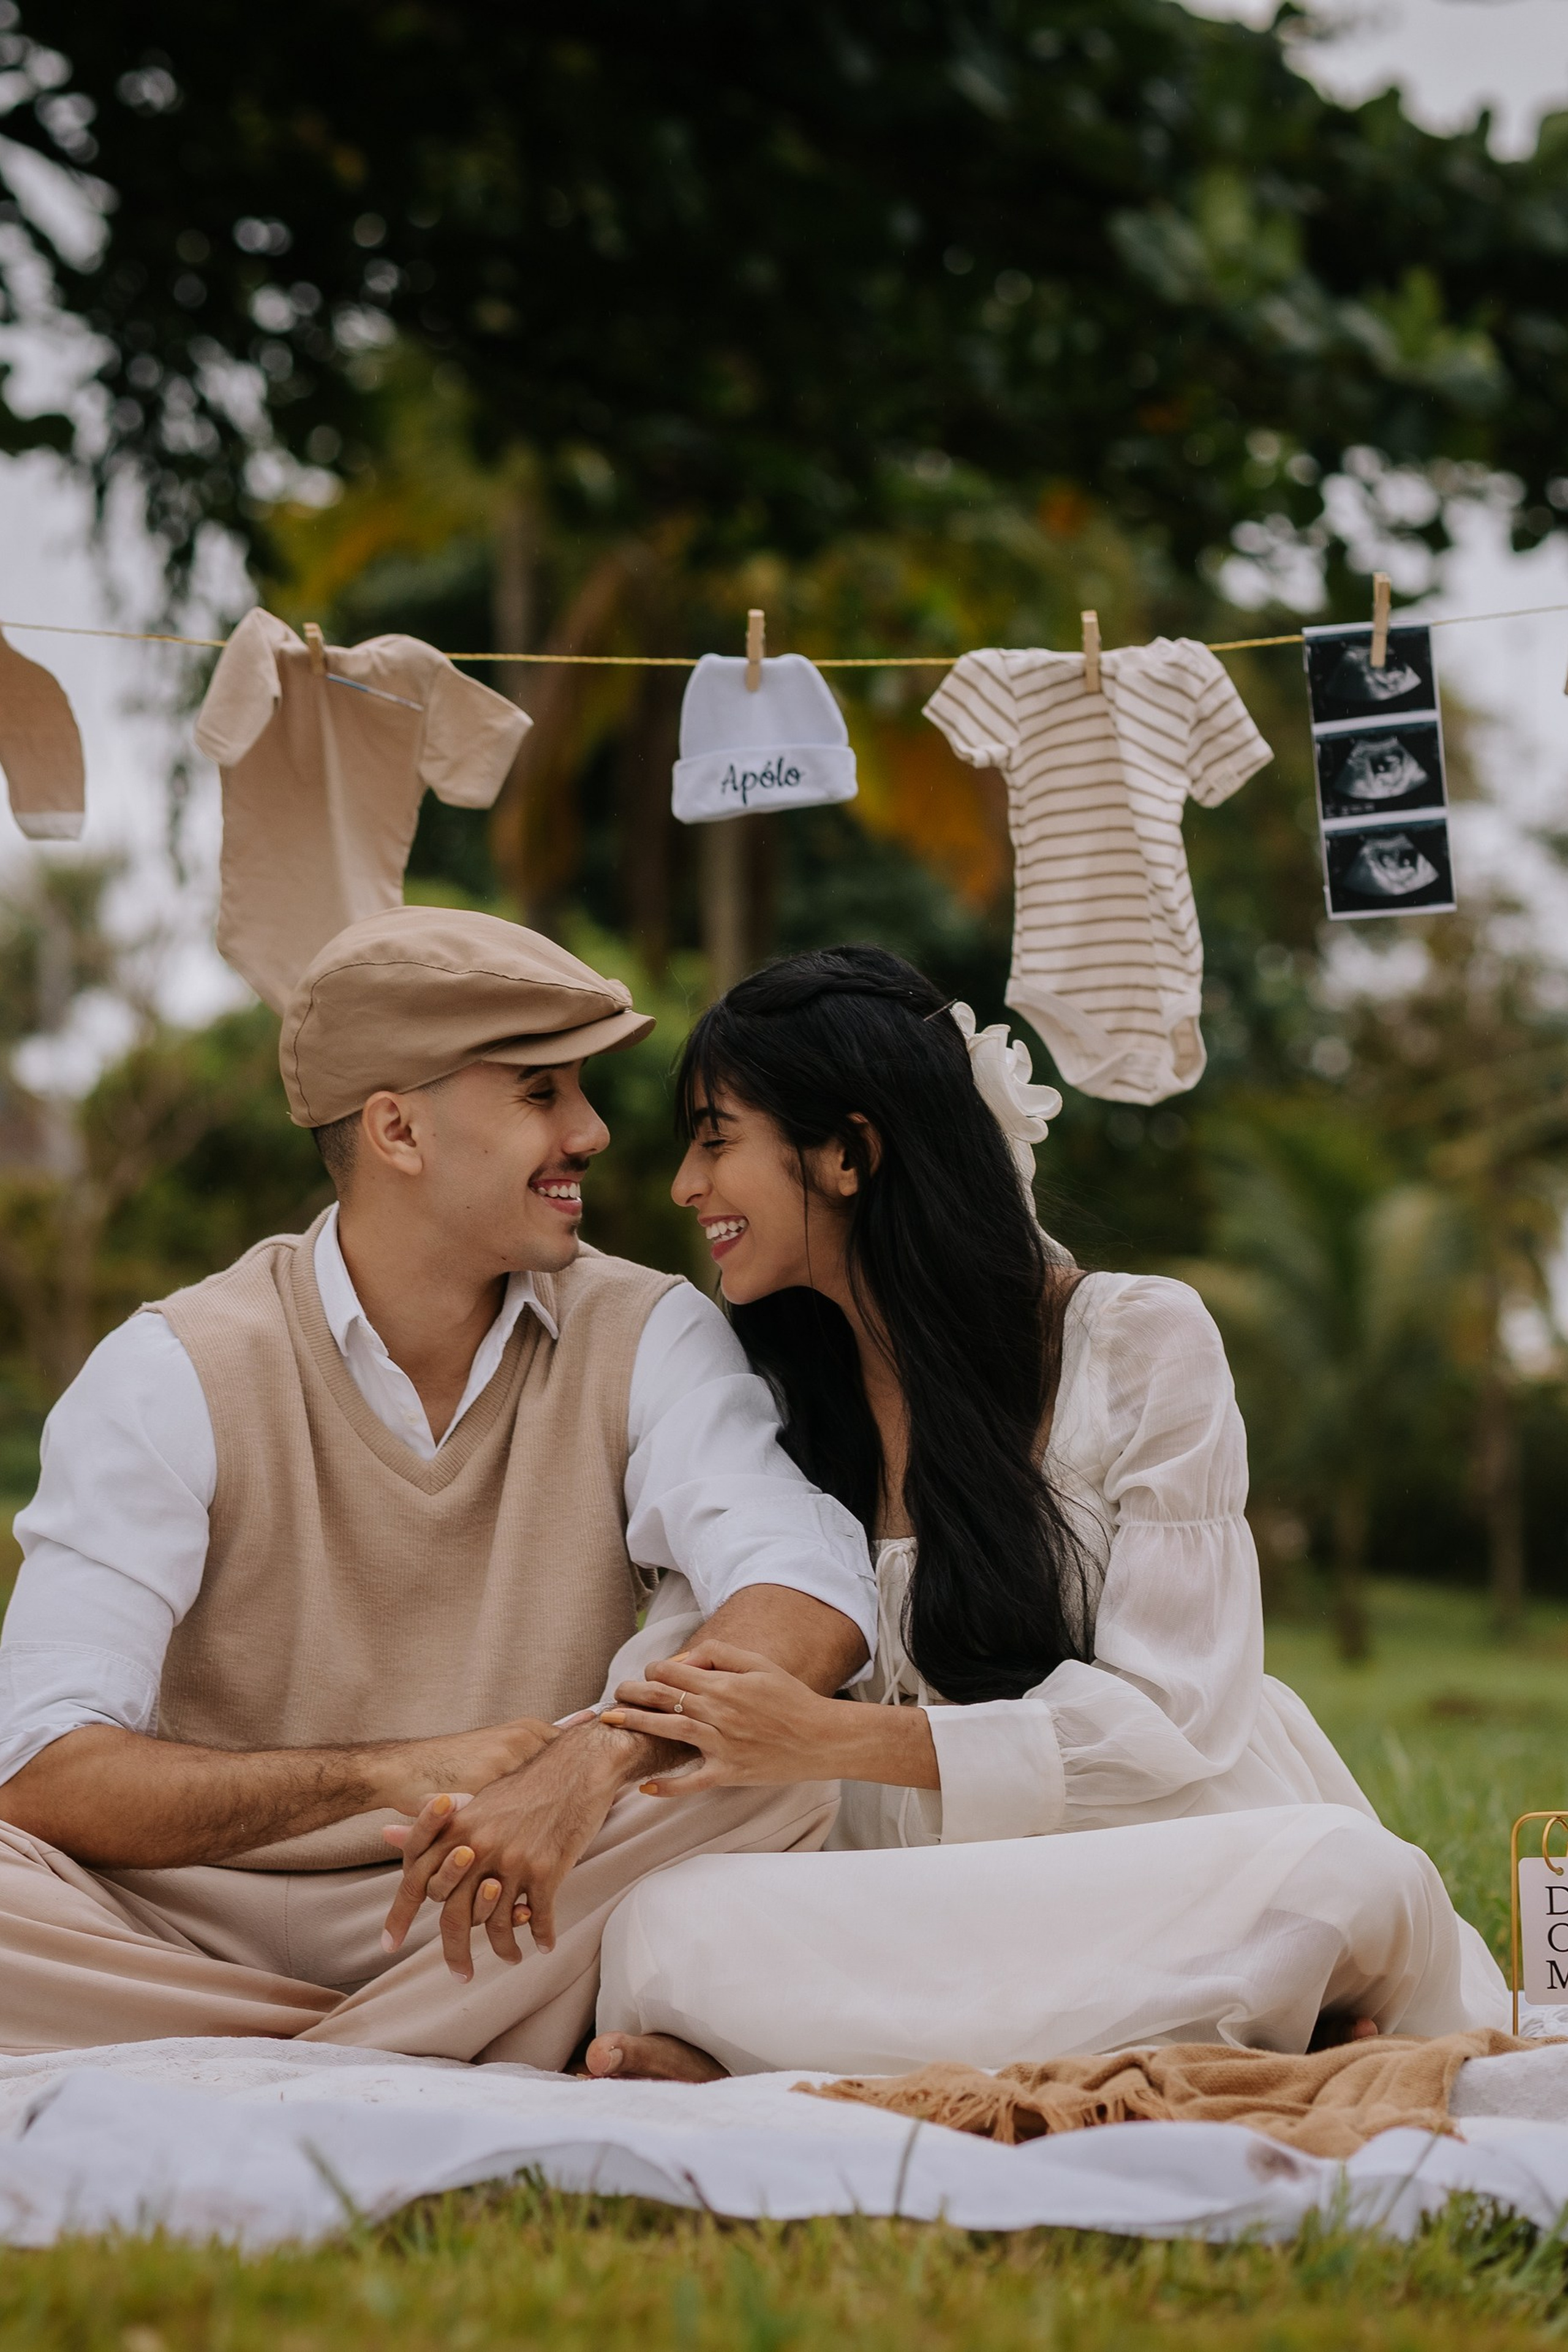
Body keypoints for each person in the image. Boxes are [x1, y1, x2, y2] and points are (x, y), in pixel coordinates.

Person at [587, 946, 1508, 2079]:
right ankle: (1204, 2051)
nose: (686, 1184)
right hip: (886, 1898)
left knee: (1342, 1879)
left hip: (1139, 1853)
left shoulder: (1136, 1343)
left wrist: (840, 1738)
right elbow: (685, 1660)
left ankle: (802, 2056)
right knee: (660, 1926)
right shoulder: (762, 1397)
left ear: (848, 1154)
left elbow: (1174, 1711)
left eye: (716, 1138)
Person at [0, 908, 877, 2064]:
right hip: (183, 1915)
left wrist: (589, 1760)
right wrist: (388, 1773)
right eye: (540, 1093)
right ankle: (453, 2052)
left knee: (782, 1782)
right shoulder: (176, 1370)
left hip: (507, 1900)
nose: (594, 1133)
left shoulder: (647, 1330)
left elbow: (807, 1596)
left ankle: (250, 2062)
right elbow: (44, 1767)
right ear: (397, 1130)